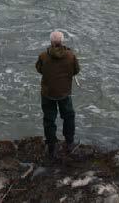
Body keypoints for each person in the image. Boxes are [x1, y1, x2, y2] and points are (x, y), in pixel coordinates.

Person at [35, 30, 80, 159]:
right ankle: (69, 143)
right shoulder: (71, 56)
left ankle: (51, 148)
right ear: (62, 42)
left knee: (49, 120)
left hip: (48, 93)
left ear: (51, 42)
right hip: (64, 93)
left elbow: (39, 69)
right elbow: (76, 70)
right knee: (69, 116)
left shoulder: (43, 56)